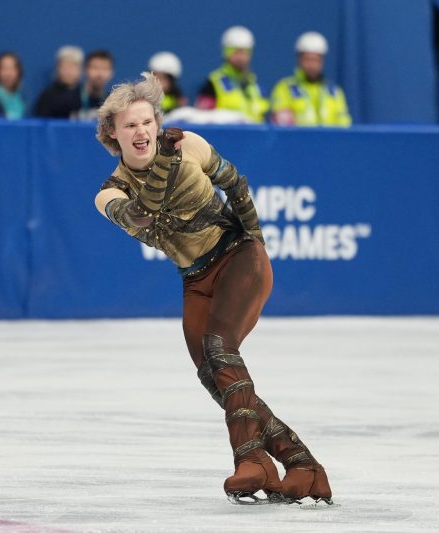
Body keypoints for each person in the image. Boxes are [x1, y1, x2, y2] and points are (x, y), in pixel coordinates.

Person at [93, 73, 332, 504]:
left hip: (239, 257)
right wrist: (164, 162)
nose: (141, 131)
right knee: (216, 378)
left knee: (220, 349)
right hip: (195, 279)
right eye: (130, 125)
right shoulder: (110, 194)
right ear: (112, 132)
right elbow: (144, 215)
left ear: (157, 122)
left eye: (147, 121)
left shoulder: (189, 145)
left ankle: (251, 459)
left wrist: (255, 238)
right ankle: (301, 464)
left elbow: (234, 182)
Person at [270, 32, 351, 127]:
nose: (311, 65)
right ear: (299, 60)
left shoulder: (334, 91)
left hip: (330, 137)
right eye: (307, 60)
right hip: (298, 136)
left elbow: (344, 124)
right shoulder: (284, 88)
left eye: (316, 60)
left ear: (322, 61)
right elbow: (282, 124)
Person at [195, 26, 269, 123]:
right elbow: (202, 119)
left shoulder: (257, 87)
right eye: (236, 52)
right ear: (226, 52)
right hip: (224, 132)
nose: (241, 57)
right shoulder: (212, 84)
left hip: (256, 132)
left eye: (245, 52)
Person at [34, 45, 84, 119]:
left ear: (80, 70)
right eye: (65, 67)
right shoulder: (47, 96)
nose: (68, 72)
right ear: (58, 69)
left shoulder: (87, 95)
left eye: (72, 67)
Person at [74, 49, 114, 120]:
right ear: (85, 70)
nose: (100, 74)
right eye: (95, 68)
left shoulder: (114, 103)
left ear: (111, 72)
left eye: (105, 68)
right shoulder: (67, 100)